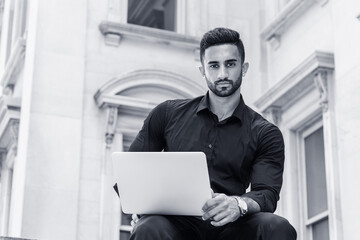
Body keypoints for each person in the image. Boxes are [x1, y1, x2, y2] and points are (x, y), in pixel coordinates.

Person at [127, 27, 297, 239]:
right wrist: (140, 208)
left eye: (230, 64)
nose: (223, 74)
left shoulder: (265, 132)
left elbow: (266, 193)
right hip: (175, 225)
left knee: (277, 227)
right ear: (203, 71)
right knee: (148, 227)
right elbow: (131, 171)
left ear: (244, 68)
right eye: (214, 66)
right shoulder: (167, 114)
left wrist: (238, 204)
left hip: (232, 226)